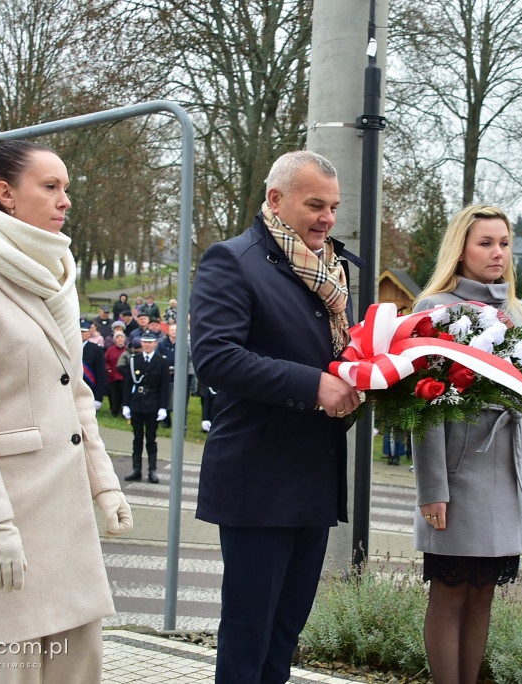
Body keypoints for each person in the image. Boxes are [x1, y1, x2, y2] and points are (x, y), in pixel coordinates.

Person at [0, 139, 133, 679]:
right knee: (8, 671)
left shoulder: (56, 282)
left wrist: (104, 484)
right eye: (50, 187)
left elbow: (76, 396)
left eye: (66, 188)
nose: (65, 200)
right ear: (5, 195)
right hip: (8, 518)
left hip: (66, 519)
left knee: (78, 669)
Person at [190, 150, 362, 684]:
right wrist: (315, 385)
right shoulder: (232, 260)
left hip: (312, 478)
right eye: (315, 205)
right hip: (258, 482)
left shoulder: (332, 269)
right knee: (248, 637)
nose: (327, 218)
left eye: (333, 207)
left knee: (283, 638)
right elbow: (216, 357)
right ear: (275, 200)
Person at [409, 203, 522, 684]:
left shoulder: (516, 312)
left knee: (484, 592)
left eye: (505, 243)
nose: (498, 253)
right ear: (461, 249)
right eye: (485, 243)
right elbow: (423, 407)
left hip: (507, 471)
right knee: (449, 592)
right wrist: (433, 487)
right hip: (458, 468)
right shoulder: (434, 309)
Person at [122, 330, 170, 483]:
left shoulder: (162, 360)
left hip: (153, 404)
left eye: (150, 342)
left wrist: (163, 407)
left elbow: (164, 387)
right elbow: (128, 384)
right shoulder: (134, 359)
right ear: (141, 343)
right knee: (137, 438)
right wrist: (126, 404)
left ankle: (152, 470)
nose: (147, 345)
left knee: (151, 439)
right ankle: (136, 469)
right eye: (145, 342)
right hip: (137, 403)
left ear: (155, 343)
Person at [80, 320, 107, 410]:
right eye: (79, 331)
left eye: (84, 331)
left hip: (89, 389)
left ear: (89, 333)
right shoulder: (69, 348)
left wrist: (98, 398)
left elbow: (101, 374)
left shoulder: (96, 349)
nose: (81, 334)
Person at [104, 330, 128, 417]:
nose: (120, 339)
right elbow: (105, 361)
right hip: (113, 376)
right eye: (118, 337)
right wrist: (109, 369)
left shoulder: (127, 350)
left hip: (124, 376)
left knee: (124, 394)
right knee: (114, 394)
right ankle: (115, 410)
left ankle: (124, 411)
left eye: (122, 337)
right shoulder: (110, 350)